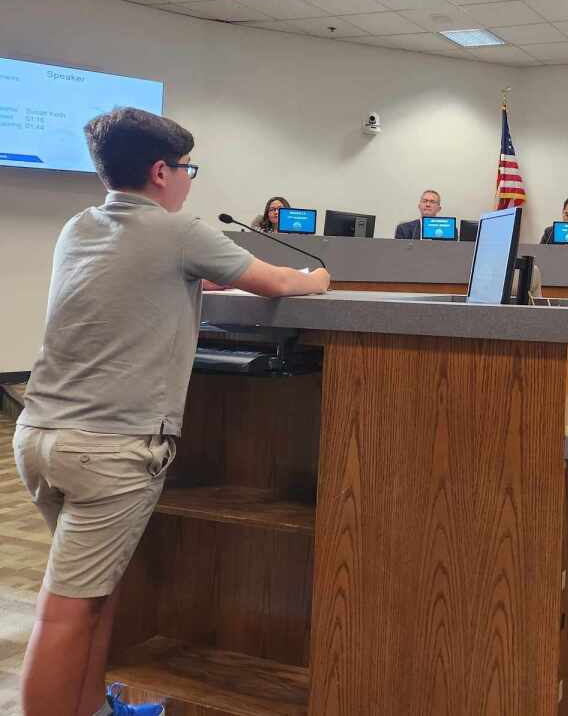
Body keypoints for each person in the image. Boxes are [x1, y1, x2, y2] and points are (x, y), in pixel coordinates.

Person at [12, 107, 330, 716]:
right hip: (110, 449)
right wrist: (319, 276)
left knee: (98, 596)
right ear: (161, 171)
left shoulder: (80, 226)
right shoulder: (179, 230)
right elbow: (280, 284)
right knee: (64, 612)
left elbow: (162, 277)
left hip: (39, 437)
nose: (189, 180)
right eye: (188, 168)